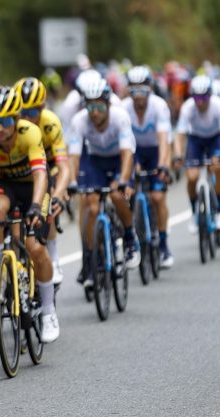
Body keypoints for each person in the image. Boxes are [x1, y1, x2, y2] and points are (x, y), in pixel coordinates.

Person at [0, 86, 59, 342]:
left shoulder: (30, 133)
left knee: (35, 248)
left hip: (32, 188)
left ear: (16, 120)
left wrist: (37, 205)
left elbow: (40, 174)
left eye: (5, 121)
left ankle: (48, 311)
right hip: (5, 187)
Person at [68, 78, 139, 283]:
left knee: (117, 195)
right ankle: (92, 258)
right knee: (90, 204)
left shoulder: (120, 117)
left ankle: (129, 237)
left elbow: (127, 154)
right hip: (96, 162)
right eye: (90, 106)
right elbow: (74, 156)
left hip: (119, 160)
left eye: (99, 105)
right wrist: (72, 182)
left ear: (108, 104)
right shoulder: (80, 120)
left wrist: (124, 179)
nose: (95, 111)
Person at [15, 76, 71, 284]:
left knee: (50, 208)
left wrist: (57, 194)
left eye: (32, 113)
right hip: (22, 172)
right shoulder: (13, 128)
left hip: (48, 167)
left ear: (42, 108)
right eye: (22, 113)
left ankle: (53, 259)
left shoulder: (50, 123)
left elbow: (63, 165)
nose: (27, 119)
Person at [123, 65, 175, 267]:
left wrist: (163, 165)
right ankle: (132, 233)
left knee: (158, 197)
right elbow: (124, 144)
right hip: (134, 152)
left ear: (150, 89)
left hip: (155, 152)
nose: (138, 96)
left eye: (142, 90)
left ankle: (163, 245)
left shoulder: (159, 106)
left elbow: (164, 140)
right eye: (134, 90)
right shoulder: (123, 108)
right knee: (127, 191)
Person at [173, 75, 220, 234]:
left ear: (210, 95)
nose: (200, 102)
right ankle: (194, 212)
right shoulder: (187, 108)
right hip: (196, 140)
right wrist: (178, 155)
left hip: (215, 138)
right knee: (191, 177)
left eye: (204, 97)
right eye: (196, 97)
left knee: (218, 167)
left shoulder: (219, 106)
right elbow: (179, 136)